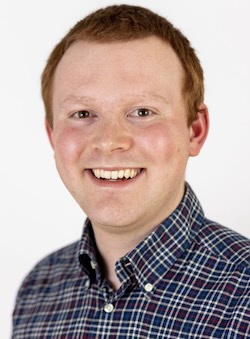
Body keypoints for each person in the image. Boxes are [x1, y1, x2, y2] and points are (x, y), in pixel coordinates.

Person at [12, 4, 250, 338]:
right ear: (53, 135)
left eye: (142, 111)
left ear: (194, 131)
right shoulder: (38, 292)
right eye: (82, 114)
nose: (109, 142)